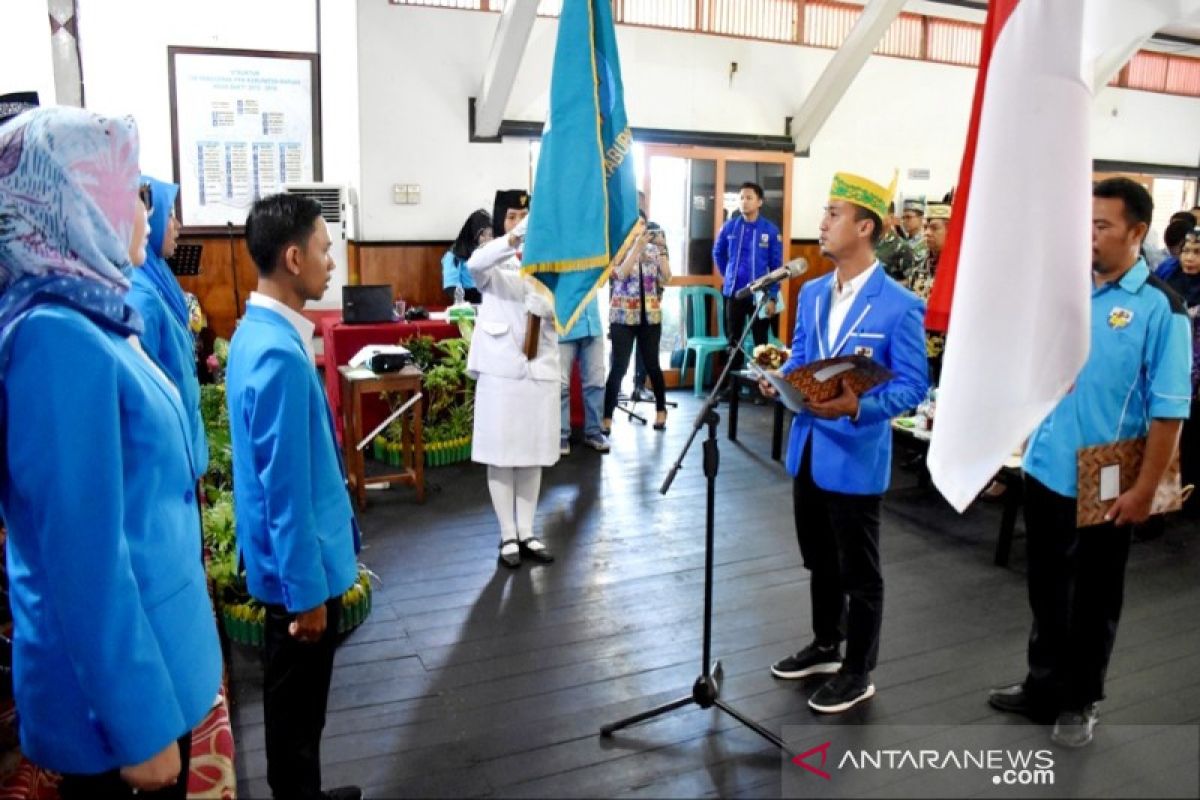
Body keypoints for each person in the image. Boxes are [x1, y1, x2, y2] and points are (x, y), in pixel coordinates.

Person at [0, 107, 221, 799]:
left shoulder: (91, 309)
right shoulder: (52, 339)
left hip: (157, 649)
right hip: (114, 696)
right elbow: (82, 557)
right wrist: (138, 723)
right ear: (69, 202)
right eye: (123, 187)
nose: (143, 211)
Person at [988, 178, 1192, 749]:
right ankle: (1042, 684)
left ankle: (1080, 700)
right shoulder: (1068, 291)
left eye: (1102, 226)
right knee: (1046, 589)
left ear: (1138, 231)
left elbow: (1170, 412)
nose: (1090, 237)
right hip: (1048, 468)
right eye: (1085, 224)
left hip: (1108, 476)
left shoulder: (1161, 309)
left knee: (1095, 596)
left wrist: (1146, 490)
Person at [763, 171, 928, 714]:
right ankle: (825, 645)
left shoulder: (899, 304)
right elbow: (803, 355)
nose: (822, 223)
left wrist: (861, 405)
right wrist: (782, 376)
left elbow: (912, 384)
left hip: (855, 453)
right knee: (819, 559)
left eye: (833, 214)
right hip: (808, 445)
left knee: (860, 570)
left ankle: (859, 669)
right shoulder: (810, 292)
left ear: (864, 226)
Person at [226, 193, 362, 800]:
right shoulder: (279, 354)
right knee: (297, 720)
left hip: (280, 570)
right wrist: (308, 595)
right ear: (291, 256)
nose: (331, 262)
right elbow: (284, 493)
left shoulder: (254, 331)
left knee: (298, 717)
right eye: (324, 249)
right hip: (295, 582)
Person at [467, 189, 559, 568]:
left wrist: (552, 305)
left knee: (532, 453)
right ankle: (507, 533)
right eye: (512, 215)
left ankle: (527, 531)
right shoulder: (494, 262)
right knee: (502, 456)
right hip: (502, 367)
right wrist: (515, 238)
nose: (520, 219)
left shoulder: (551, 260)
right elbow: (475, 265)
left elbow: (570, 301)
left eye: (526, 214)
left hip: (540, 366)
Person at [126, 175, 208, 475]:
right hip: (167, 458)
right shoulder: (141, 296)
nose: (176, 225)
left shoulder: (158, 277)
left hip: (182, 441)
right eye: (170, 215)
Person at [603, 217, 671, 432]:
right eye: (635, 224)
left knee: (652, 364)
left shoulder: (654, 249)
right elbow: (619, 274)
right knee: (619, 366)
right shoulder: (617, 247)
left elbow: (666, 278)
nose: (640, 229)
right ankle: (607, 416)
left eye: (642, 224)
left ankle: (661, 410)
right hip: (623, 316)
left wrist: (661, 249)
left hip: (650, 316)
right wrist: (635, 249)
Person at [714, 181, 783, 370]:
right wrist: (727, 275)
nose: (744, 202)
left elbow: (777, 268)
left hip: (760, 297)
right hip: (735, 294)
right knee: (733, 343)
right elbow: (718, 253)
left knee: (761, 344)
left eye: (749, 198)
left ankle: (761, 389)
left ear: (759, 202)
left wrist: (772, 297)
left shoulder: (770, 230)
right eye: (741, 198)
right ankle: (732, 390)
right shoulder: (729, 227)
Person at [1165, 226, 1200, 518]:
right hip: (1171, 377)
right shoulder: (1168, 281)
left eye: (1197, 252)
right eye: (1186, 251)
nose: (1189, 258)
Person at [559, 292, 610, 454]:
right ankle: (560, 434)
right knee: (560, 385)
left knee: (596, 381)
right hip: (564, 325)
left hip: (592, 324)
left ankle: (594, 431)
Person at [441, 209, 490, 305]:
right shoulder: (454, 256)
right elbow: (451, 286)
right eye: (483, 235)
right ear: (473, 234)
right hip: (468, 304)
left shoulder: (492, 253)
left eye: (491, 235)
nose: (488, 239)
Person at [875, 201, 915, 282]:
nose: (876, 216)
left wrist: (889, 289)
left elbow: (909, 280)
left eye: (881, 213)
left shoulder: (902, 247)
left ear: (891, 217)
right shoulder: (866, 243)